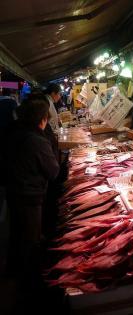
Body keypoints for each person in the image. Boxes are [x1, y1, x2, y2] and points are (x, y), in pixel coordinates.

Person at [4, 94, 60, 312]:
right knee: (31, 238)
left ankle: (13, 270)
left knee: (16, 233)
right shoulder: (37, 140)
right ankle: (29, 288)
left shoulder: (12, 131)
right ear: (42, 118)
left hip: (13, 191)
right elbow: (54, 171)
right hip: (30, 195)